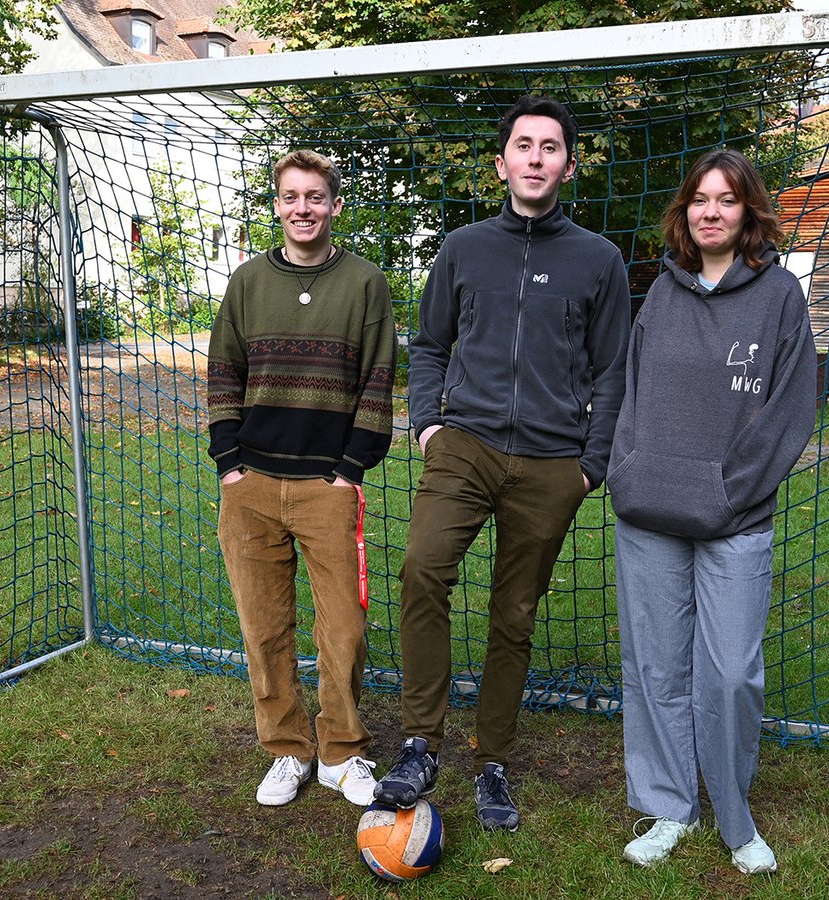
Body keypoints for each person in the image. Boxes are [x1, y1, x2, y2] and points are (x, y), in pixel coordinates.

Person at [374, 95, 632, 831]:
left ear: (567, 167)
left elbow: (613, 371)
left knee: (513, 615)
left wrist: (591, 467)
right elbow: (427, 345)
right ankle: (421, 742)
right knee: (423, 568)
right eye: (524, 146)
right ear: (502, 162)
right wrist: (426, 426)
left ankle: (493, 759)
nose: (536, 158)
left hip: (554, 463)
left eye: (550, 147)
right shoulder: (463, 248)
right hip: (465, 445)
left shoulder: (599, 260)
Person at [606, 148, 817, 874]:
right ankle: (668, 807)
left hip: (734, 518)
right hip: (649, 514)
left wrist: (729, 490)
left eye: (726, 199)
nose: (711, 211)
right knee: (656, 668)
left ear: (748, 209)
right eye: (700, 199)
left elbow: (790, 408)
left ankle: (734, 816)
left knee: (729, 673)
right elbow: (630, 395)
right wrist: (626, 472)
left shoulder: (780, 292)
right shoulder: (660, 292)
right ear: (685, 211)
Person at [207, 150, 398, 808]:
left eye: (315, 196)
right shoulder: (247, 283)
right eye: (291, 197)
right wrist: (229, 463)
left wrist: (351, 470)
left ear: (335, 205)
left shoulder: (365, 283)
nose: (303, 208)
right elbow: (223, 372)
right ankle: (287, 749)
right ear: (277, 205)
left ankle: (342, 752)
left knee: (342, 629)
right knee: (264, 629)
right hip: (251, 485)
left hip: (327, 486)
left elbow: (378, 381)